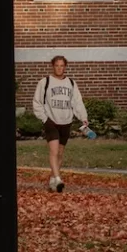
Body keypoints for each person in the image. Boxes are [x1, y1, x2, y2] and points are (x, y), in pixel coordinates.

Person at [31, 54, 86, 192]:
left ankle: (52, 181)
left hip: (66, 121)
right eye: (57, 65)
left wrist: (83, 117)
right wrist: (44, 118)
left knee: (60, 153)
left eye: (62, 66)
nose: (59, 68)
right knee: (54, 151)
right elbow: (37, 102)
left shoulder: (71, 83)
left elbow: (77, 103)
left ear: (65, 67)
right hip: (51, 121)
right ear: (53, 66)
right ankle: (58, 179)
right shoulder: (45, 82)